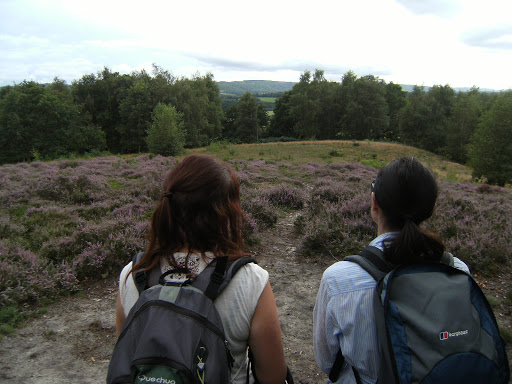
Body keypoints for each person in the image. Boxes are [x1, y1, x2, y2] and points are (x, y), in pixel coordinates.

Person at [115, 154, 287, 384]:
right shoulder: (250, 280)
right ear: (226, 211)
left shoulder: (133, 273)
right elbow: (273, 377)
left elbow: (126, 356)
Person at [313, 157, 470, 384]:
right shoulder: (458, 271)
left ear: (374, 203)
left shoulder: (339, 280)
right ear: (432, 209)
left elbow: (326, 362)